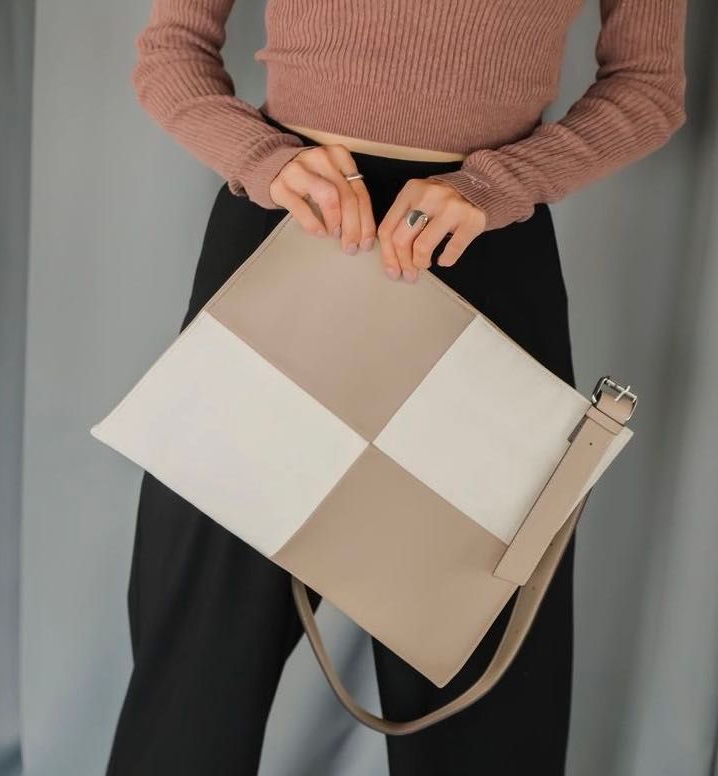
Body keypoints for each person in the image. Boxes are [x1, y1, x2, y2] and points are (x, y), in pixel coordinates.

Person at [105, 1, 687, 773]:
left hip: (482, 258)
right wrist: (263, 159)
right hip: (285, 240)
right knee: (194, 671)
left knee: (482, 689)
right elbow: (171, 53)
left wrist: (497, 184)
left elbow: (648, 88)